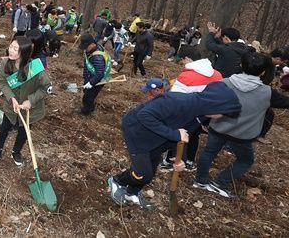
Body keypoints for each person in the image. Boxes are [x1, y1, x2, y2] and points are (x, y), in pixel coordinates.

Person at [107, 82, 241, 210]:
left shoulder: (200, 114)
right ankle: (117, 181)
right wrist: (175, 134)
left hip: (158, 138)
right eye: (222, 113)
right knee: (143, 173)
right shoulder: (178, 101)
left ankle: (132, 192)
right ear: (215, 106)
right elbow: (145, 115)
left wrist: (181, 157)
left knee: (151, 171)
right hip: (137, 132)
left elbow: (182, 135)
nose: (220, 117)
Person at [194, 52, 274, 198]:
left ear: (241, 65)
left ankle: (200, 180)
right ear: (263, 72)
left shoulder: (223, 83)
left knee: (209, 153)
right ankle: (220, 182)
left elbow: (207, 104)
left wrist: (204, 122)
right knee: (245, 160)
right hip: (242, 136)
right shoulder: (268, 93)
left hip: (218, 128)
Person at [0, 37, 52, 166]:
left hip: (30, 108)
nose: (11, 51)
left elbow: (47, 88)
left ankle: (16, 151)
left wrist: (30, 101)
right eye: (11, 46)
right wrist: (11, 98)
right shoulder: (6, 63)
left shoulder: (35, 68)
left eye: (15, 49)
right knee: (5, 127)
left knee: (24, 130)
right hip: (11, 105)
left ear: (24, 53)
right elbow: (2, 81)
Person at [80, 33, 111, 115]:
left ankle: (86, 112)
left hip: (97, 80)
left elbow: (100, 73)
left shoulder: (98, 57)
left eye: (86, 47)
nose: (85, 49)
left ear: (92, 44)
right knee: (87, 92)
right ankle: (90, 107)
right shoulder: (92, 49)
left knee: (88, 97)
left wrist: (91, 82)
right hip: (91, 76)